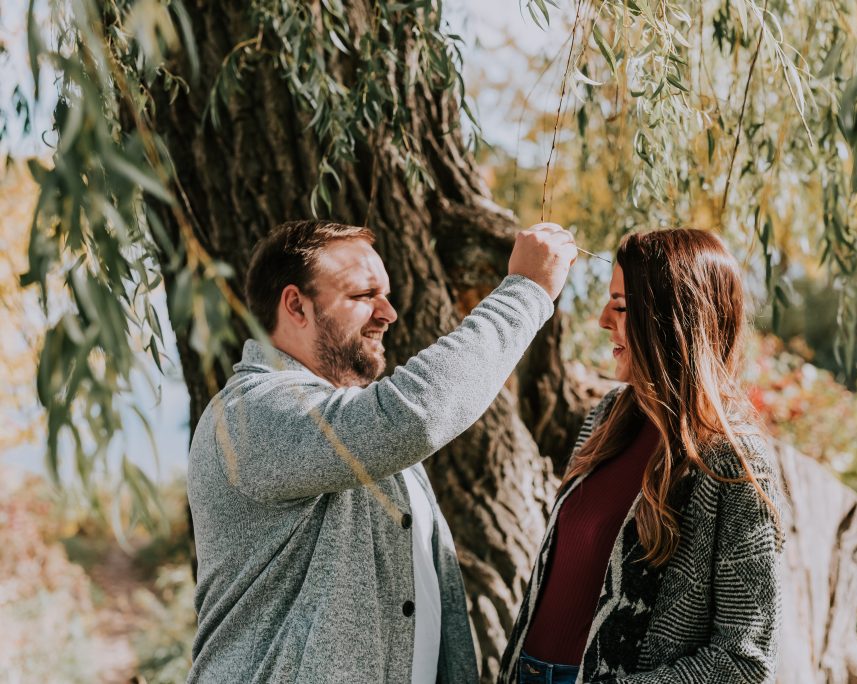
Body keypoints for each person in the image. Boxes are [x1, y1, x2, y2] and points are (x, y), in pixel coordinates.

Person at [186, 219, 577, 683]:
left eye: (386, 294)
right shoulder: (248, 415)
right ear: (296, 305)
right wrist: (527, 292)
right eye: (364, 295)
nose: (388, 312)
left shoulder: (357, 431)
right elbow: (414, 415)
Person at [499, 228, 785, 684]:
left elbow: (744, 661)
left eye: (621, 306)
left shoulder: (733, 462)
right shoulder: (607, 416)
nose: (601, 320)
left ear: (673, 318)